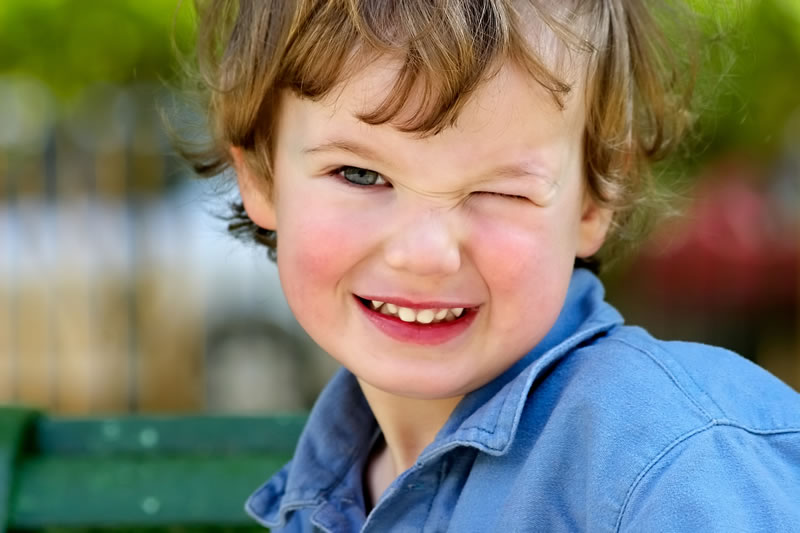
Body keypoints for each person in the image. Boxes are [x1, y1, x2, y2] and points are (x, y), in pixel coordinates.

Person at [181, 1, 800, 530]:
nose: (424, 254)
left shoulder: (669, 462)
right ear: (261, 179)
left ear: (592, 201)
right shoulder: (331, 483)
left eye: (501, 191)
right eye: (361, 174)